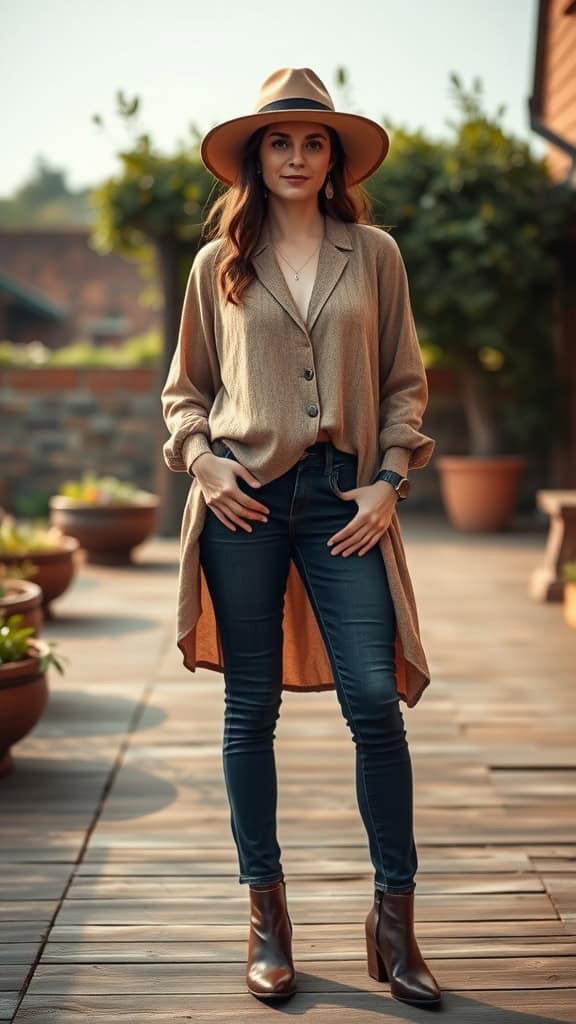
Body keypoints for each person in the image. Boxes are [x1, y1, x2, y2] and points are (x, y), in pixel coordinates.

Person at [160, 67, 442, 1009]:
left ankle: (395, 924)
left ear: (333, 159)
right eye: (279, 142)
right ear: (255, 158)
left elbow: (405, 383)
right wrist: (202, 463)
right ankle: (267, 922)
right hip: (242, 498)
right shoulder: (217, 269)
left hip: (342, 499)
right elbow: (184, 393)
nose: (295, 156)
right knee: (250, 709)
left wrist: (389, 483)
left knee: (374, 700)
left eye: (313, 142)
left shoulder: (377, 255)